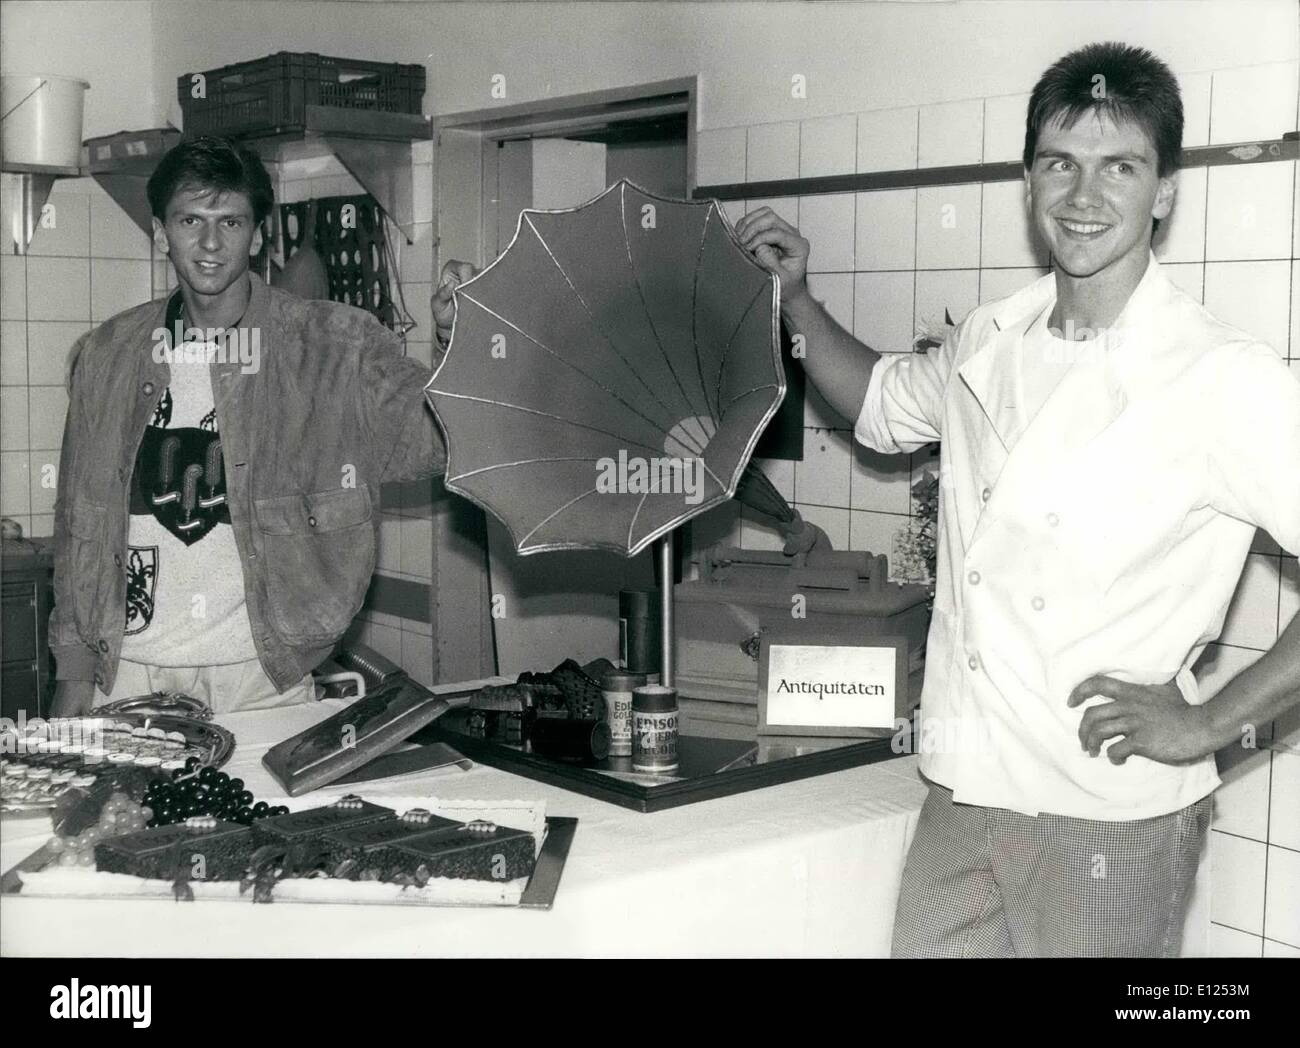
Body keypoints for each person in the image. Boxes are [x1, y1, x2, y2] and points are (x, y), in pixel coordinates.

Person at [738, 41, 1300, 957]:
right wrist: (795, 302)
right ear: (1029, 181)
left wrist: (1206, 721)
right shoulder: (991, 339)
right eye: (1060, 164)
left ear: (1164, 191)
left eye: (1121, 166)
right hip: (964, 790)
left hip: (1105, 812)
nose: (1085, 197)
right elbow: (879, 404)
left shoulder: (1221, 377)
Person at [49, 136, 475, 717]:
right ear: (159, 232)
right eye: (190, 220)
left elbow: (433, 442)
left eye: (230, 222)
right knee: (120, 812)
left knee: (264, 813)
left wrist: (459, 342)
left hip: (262, 677)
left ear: (257, 236)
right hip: (125, 672)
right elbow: (77, 521)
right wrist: (74, 668)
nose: (208, 242)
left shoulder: (333, 345)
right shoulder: (109, 354)